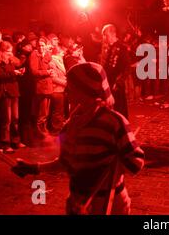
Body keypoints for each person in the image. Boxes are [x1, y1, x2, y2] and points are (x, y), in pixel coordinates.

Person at [12, 62, 145, 215]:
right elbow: (65, 163)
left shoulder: (115, 123)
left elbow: (136, 161)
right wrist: (33, 168)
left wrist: (118, 163)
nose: (67, 89)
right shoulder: (70, 125)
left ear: (86, 89)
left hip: (109, 203)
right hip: (77, 202)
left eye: (71, 84)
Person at [0, 41, 25, 153]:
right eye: (8, 51)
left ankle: (15, 141)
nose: (10, 54)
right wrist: (13, 73)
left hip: (14, 91)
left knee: (16, 118)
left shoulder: (11, 60)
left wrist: (19, 72)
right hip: (5, 93)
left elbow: (16, 68)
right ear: (2, 51)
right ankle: (5, 144)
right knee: (7, 119)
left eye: (11, 51)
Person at [28, 36, 54, 146]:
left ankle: (43, 134)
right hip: (40, 88)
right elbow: (34, 71)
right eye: (39, 45)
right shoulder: (34, 54)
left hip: (47, 87)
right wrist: (47, 72)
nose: (41, 47)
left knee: (46, 113)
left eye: (43, 45)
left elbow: (50, 65)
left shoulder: (46, 54)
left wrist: (46, 56)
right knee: (41, 113)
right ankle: (40, 136)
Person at [101, 24, 130, 118]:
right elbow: (107, 67)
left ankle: (122, 130)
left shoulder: (122, 47)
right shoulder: (109, 49)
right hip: (109, 83)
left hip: (116, 85)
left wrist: (119, 82)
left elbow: (126, 68)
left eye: (106, 35)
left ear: (113, 34)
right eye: (104, 35)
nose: (104, 38)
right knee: (111, 111)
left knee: (119, 110)